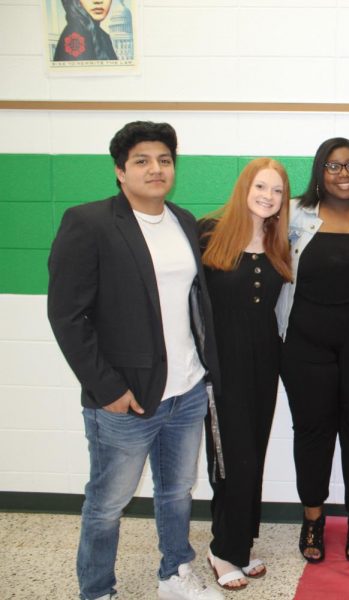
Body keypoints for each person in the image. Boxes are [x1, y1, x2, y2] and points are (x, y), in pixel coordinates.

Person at [47, 121, 223, 600]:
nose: (156, 168)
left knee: (175, 493)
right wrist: (108, 389)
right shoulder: (90, 222)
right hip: (126, 396)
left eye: (164, 160)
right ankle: (97, 589)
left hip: (185, 390)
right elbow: (67, 316)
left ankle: (174, 575)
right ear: (120, 170)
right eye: (142, 160)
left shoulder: (184, 220)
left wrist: (204, 370)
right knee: (107, 504)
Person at [275, 138, 349, 565]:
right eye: (333, 166)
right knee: (312, 433)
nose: (344, 174)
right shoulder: (293, 212)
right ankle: (313, 517)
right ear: (318, 172)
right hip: (305, 341)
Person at [199, 158, 292, 590]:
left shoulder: (277, 241)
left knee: (252, 453)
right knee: (229, 459)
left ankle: (241, 544)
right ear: (244, 187)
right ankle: (221, 551)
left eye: (277, 191)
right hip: (222, 365)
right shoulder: (207, 233)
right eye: (261, 186)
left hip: (264, 362)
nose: (268, 196)